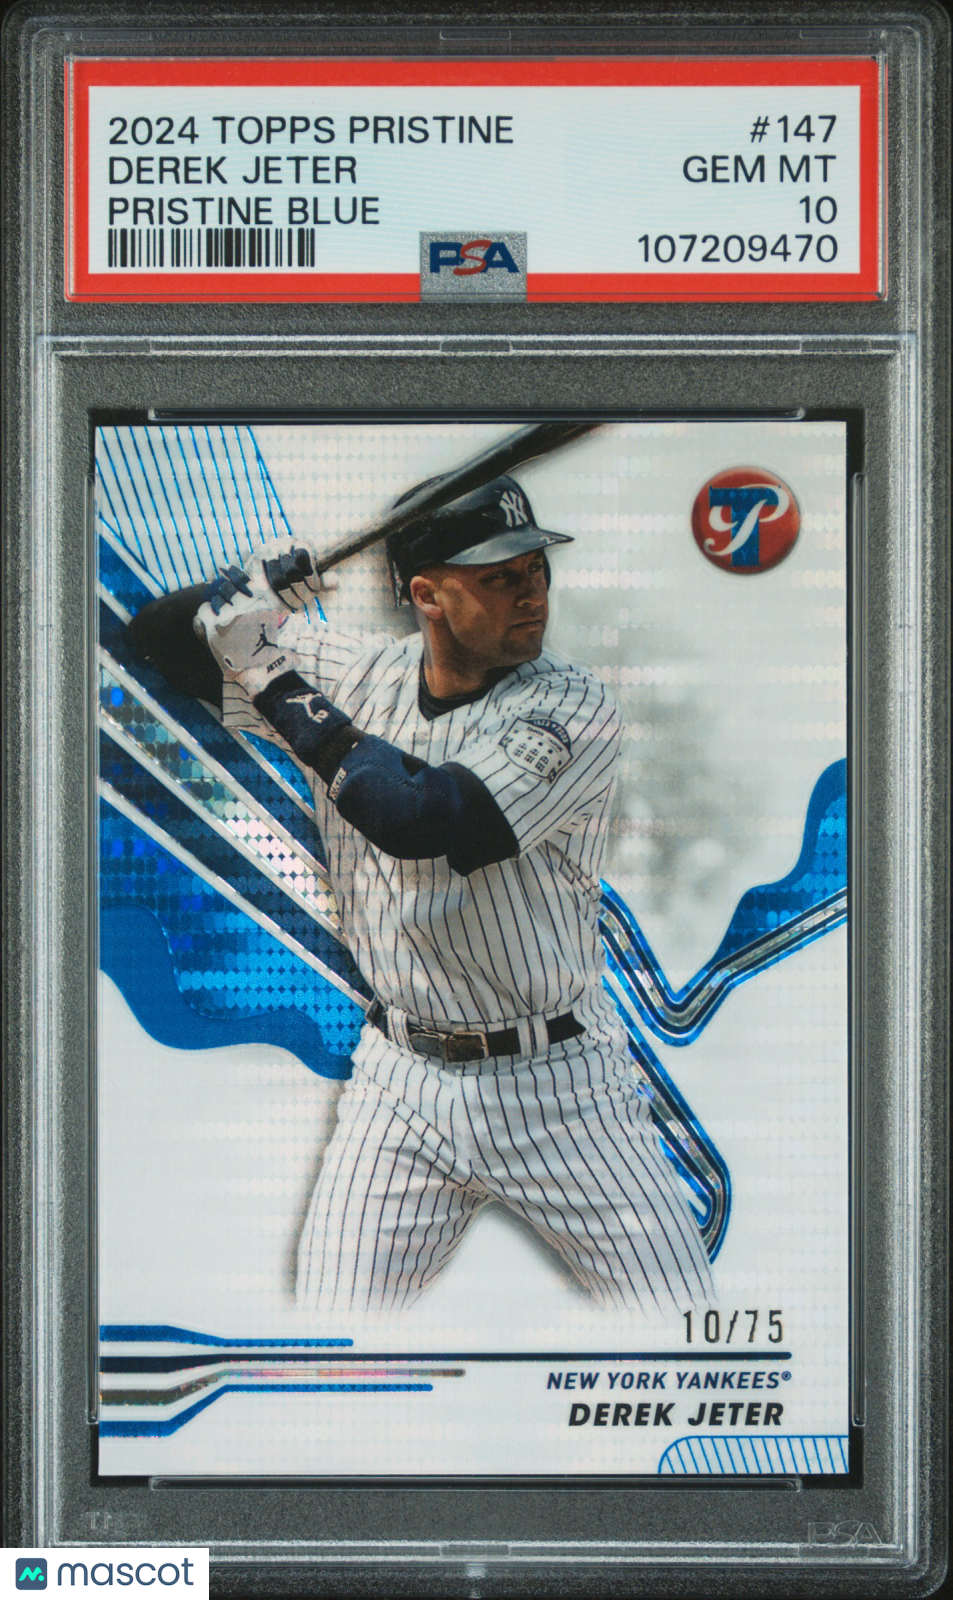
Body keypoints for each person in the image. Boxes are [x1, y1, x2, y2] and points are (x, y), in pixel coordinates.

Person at [128, 472, 714, 1318]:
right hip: (399, 1083)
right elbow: (154, 639)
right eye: (499, 576)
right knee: (327, 1348)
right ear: (426, 594)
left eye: (534, 568)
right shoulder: (358, 672)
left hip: (559, 1087)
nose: (531, 593)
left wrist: (269, 673)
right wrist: (243, 591)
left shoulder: (574, 707)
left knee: (685, 1334)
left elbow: (418, 815)